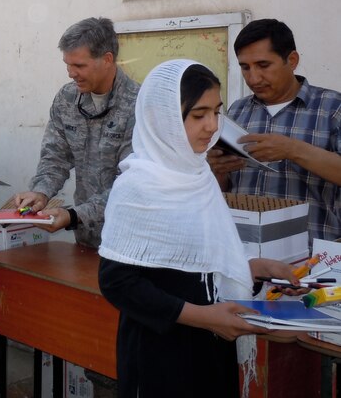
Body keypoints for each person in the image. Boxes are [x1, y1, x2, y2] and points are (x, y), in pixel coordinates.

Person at [98, 60, 300, 398]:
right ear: (163, 119)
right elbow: (117, 282)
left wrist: (252, 268)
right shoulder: (138, 185)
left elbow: (194, 263)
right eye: (198, 115)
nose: (212, 126)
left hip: (210, 343)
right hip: (161, 352)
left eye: (217, 112)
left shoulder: (199, 175)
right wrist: (203, 317)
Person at [208, 19, 341, 244]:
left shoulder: (332, 108)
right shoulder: (237, 110)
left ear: (292, 60)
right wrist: (217, 169)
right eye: (245, 67)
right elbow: (224, 190)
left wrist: (292, 149)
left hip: (311, 257)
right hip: (245, 252)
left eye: (263, 65)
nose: (253, 78)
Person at [10, 17, 140, 247]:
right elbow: (55, 157)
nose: (71, 73)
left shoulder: (139, 105)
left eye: (79, 65)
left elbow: (131, 185)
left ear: (107, 59)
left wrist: (74, 215)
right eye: (67, 65)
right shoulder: (67, 99)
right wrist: (40, 193)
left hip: (129, 238)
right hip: (86, 238)